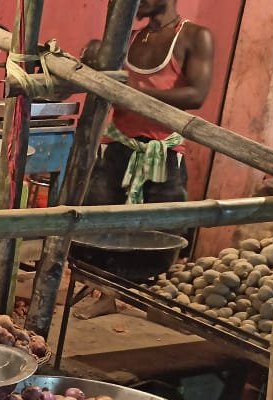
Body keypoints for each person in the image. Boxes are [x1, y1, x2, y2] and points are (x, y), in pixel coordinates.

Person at [76, 0, 214, 319]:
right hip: (118, 146)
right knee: (97, 228)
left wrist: (131, 93)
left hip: (162, 153)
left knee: (160, 237)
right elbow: (104, 76)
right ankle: (105, 294)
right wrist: (92, 57)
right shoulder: (130, 38)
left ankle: (148, 300)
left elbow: (196, 95)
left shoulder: (195, 36)